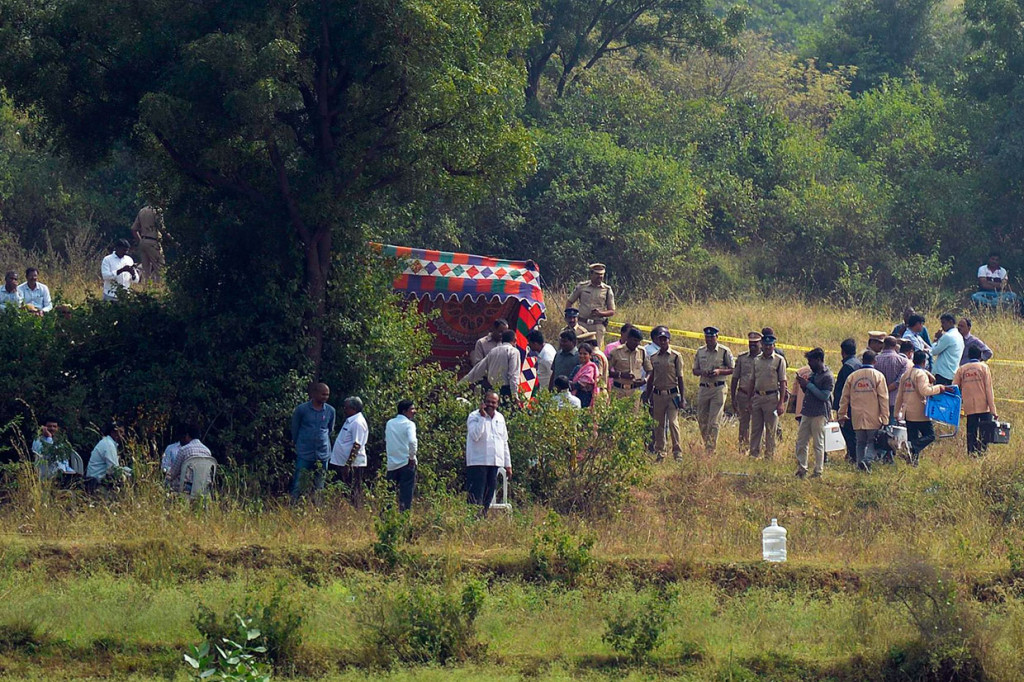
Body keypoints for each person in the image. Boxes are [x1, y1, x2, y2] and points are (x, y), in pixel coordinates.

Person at [837, 350, 888, 472]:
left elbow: (844, 397)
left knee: (860, 442)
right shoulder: (878, 376)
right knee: (872, 441)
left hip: (857, 416)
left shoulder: (853, 376)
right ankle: (866, 461)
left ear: (862, 361)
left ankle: (860, 466)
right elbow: (883, 398)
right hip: (873, 415)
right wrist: (885, 417)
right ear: (874, 361)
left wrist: (842, 414)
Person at [642, 328, 686, 462]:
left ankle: (677, 452)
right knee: (658, 425)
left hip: (672, 394)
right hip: (657, 395)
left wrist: (682, 398)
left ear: (669, 340)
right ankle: (661, 451)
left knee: (673, 423)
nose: (662, 342)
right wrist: (647, 395)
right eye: (660, 339)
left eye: (665, 339)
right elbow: (651, 378)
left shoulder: (675, 356)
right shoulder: (653, 357)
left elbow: (680, 377)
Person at [465, 391, 512, 517]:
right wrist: (482, 417)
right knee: (476, 494)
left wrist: (508, 464)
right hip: (478, 461)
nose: (491, 405)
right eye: (488, 402)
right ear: (483, 402)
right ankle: (472, 519)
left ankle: (482, 517)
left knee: (489, 493)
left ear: (498, 404)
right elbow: (475, 436)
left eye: (494, 402)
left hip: (495, 462)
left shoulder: (500, 418)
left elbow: (504, 441)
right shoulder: (474, 416)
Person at [894, 350, 944, 465]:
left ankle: (912, 462)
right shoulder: (920, 374)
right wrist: (939, 388)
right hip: (919, 412)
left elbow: (899, 396)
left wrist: (897, 412)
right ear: (924, 361)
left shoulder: (906, 375)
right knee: (930, 436)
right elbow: (924, 391)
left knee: (912, 437)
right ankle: (913, 447)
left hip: (907, 412)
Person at [290, 382, 336, 501]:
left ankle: (317, 510)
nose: (325, 397)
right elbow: (295, 429)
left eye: (327, 395)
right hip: (305, 452)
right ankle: (293, 506)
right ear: (314, 394)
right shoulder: (302, 410)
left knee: (319, 485)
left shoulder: (330, 411)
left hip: (322, 453)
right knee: (299, 484)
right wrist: (298, 444)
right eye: (323, 394)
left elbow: (329, 429)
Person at [692, 326, 735, 455]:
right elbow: (695, 370)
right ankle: (707, 444)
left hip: (718, 388)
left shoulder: (724, 351)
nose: (709, 339)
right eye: (707, 337)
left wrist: (719, 371)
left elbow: (733, 369)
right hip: (704, 387)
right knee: (702, 419)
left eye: (712, 337)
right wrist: (703, 372)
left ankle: (711, 450)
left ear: (717, 337)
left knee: (714, 421)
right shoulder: (700, 351)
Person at [794, 348, 833, 479]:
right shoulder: (813, 374)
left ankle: (818, 471)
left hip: (819, 413)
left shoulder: (828, 376)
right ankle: (802, 468)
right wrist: (804, 386)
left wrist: (809, 385)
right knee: (801, 441)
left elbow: (824, 396)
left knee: (818, 443)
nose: (809, 364)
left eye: (811, 361)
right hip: (807, 411)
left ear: (818, 360)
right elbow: (809, 392)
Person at [952, 345, 998, 456]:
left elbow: (954, 388)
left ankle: (971, 453)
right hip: (984, 405)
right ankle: (982, 452)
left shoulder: (962, 369)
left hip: (969, 406)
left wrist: (957, 406)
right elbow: (988, 389)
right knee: (985, 432)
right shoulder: (984, 368)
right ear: (980, 356)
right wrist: (993, 410)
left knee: (971, 431)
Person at [749, 334, 787, 461]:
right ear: (762, 345)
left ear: (774, 346)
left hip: (771, 398)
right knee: (756, 428)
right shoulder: (756, 360)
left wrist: (781, 402)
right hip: (758, 396)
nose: (768, 347)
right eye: (765, 345)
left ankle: (769, 456)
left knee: (771, 429)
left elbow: (783, 382)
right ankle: (753, 454)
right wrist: (750, 399)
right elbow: (752, 380)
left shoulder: (779, 360)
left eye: (770, 345)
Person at [329, 396, 370, 506]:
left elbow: (357, 445)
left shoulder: (358, 422)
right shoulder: (350, 421)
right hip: (343, 462)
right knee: (344, 489)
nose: (344, 410)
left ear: (354, 409)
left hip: (353, 464)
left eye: (346, 408)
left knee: (354, 490)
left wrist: (348, 464)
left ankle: (356, 512)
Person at [566, 263, 616, 347]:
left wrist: (601, 313)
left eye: (601, 274)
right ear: (591, 274)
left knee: (596, 351)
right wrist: (570, 317)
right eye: (597, 274)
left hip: (597, 325)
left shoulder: (607, 289)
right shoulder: (582, 286)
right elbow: (570, 301)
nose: (599, 277)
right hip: (582, 324)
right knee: (578, 348)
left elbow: (612, 311)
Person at [462, 329, 520, 399]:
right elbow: (513, 375)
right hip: (506, 391)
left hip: (491, 390)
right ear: (515, 340)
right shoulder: (513, 351)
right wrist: (515, 395)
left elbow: (478, 369)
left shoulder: (493, 351)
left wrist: (461, 384)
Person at [385, 400, 418, 512]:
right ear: (404, 411)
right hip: (406, 463)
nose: (414, 412)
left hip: (392, 464)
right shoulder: (409, 424)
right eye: (412, 409)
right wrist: (412, 457)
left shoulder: (389, 423)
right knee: (406, 496)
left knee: (389, 494)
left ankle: (386, 518)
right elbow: (412, 442)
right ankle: (403, 519)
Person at [731, 331, 761, 449]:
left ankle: (756, 449)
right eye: (750, 343)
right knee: (744, 424)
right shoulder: (742, 358)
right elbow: (735, 378)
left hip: (758, 396)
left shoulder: (765, 358)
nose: (752, 345)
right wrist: (733, 398)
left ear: (761, 343)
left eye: (755, 343)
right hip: (743, 395)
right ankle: (743, 448)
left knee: (758, 425)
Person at [832, 339, 860, 463]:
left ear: (842, 352)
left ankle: (854, 457)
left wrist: (842, 409)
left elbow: (846, 390)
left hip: (847, 407)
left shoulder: (848, 367)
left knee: (849, 433)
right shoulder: (858, 363)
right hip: (856, 405)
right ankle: (853, 455)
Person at [165, 423, 212, 492]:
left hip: (186, 487)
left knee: (167, 482)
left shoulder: (184, 450)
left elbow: (173, 473)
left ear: (187, 435)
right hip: (203, 488)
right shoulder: (207, 451)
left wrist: (166, 478)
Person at [608, 327, 651, 401]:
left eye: (639, 341)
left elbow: (649, 370)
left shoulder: (642, 352)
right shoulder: (616, 352)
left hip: (634, 391)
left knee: (634, 412)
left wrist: (645, 380)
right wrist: (620, 375)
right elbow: (606, 371)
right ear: (628, 338)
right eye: (634, 340)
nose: (637, 343)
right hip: (619, 390)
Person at [874, 336, 911, 421]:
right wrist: (887, 389)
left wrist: (882, 390)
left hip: (877, 398)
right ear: (895, 346)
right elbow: (900, 381)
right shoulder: (903, 361)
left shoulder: (875, 359)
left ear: (884, 345)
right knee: (892, 429)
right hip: (894, 399)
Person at [130, 205, 166, 284]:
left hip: (143, 241)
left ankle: (146, 291)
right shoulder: (157, 210)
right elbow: (161, 227)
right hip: (153, 242)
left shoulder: (142, 211)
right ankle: (159, 290)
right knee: (160, 269)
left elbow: (134, 229)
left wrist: (141, 241)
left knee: (146, 271)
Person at [930, 313, 964, 385]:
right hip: (953, 373)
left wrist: (936, 339)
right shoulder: (959, 336)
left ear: (950, 322)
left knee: (940, 395)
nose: (942, 326)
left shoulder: (948, 336)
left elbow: (934, 351)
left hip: (943, 374)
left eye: (943, 323)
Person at [571, 343, 600, 408]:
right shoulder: (577, 368)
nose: (582, 356)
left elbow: (582, 384)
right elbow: (570, 379)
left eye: (585, 354)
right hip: (576, 396)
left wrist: (574, 384)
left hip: (586, 398)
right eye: (580, 353)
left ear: (590, 355)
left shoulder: (591, 368)